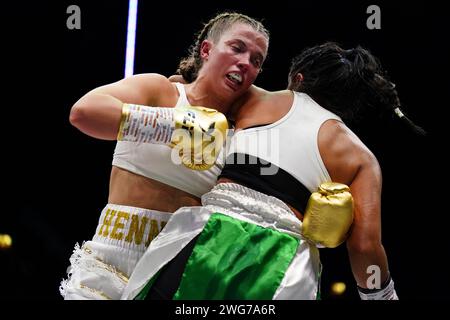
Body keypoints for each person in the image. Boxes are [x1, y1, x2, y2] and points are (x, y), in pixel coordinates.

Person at [121, 42, 424, 300]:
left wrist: (182, 82)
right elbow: (364, 247)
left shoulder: (254, 97)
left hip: (204, 236)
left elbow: (196, 90)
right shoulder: (361, 158)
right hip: (282, 267)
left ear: (298, 78)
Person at [59, 12, 270, 300]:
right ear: (206, 50)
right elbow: (84, 112)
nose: (246, 62)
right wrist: (175, 124)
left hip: (179, 281)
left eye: (257, 61)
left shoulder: (244, 136)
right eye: (237, 48)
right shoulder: (162, 92)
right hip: (108, 266)